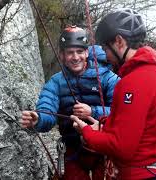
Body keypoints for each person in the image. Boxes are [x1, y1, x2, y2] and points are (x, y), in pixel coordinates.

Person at [71, 9, 156, 180]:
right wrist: (105, 124)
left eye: (105, 47)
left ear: (119, 41)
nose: (105, 54)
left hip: (144, 175)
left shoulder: (134, 82)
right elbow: (142, 126)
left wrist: (87, 132)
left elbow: (120, 147)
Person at [20, 26, 119, 180]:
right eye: (70, 52)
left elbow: (123, 113)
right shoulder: (56, 82)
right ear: (62, 55)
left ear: (87, 52)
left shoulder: (108, 78)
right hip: (73, 149)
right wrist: (38, 119)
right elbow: (47, 108)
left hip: (104, 149)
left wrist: (92, 111)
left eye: (79, 52)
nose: (75, 57)